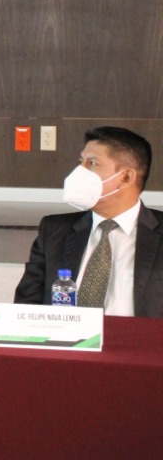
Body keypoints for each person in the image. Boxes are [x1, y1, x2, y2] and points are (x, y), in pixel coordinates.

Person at [15, 126, 163, 318]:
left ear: (125, 177)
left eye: (92, 163)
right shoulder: (53, 231)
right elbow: (26, 305)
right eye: (81, 162)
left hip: (139, 337)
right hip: (64, 335)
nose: (79, 171)